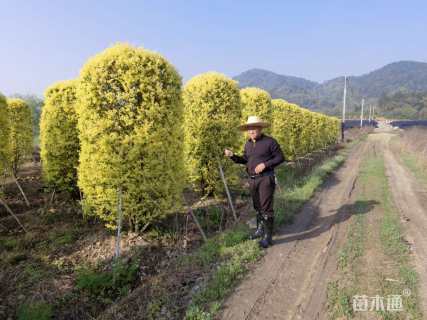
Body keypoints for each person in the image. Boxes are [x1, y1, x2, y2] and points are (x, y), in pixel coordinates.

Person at [224, 116, 285, 248]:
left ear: (260, 128)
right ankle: (260, 230)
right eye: (249, 128)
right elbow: (245, 160)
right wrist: (232, 156)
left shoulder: (270, 142)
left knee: (266, 208)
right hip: (252, 180)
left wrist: (265, 164)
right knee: (257, 207)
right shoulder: (248, 143)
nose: (251, 131)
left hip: (266, 179)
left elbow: (280, 157)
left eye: (254, 128)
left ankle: (268, 237)